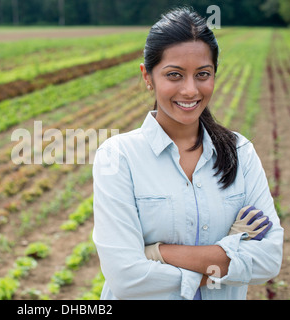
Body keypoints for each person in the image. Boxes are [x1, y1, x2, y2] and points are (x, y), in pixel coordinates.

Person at [92, 6, 284, 300]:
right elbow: (127, 279)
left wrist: (159, 253)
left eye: (202, 74)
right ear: (148, 77)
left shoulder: (240, 153)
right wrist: (228, 257)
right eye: (174, 75)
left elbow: (268, 260)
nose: (191, 90)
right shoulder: (118, 157)